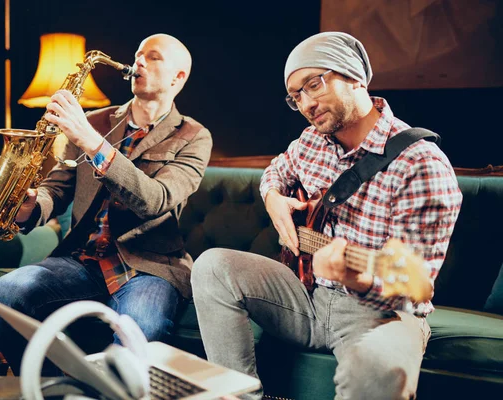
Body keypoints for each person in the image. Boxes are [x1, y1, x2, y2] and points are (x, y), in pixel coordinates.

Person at [191, 31, 462, 399]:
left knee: (378, 372)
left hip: (381, 314)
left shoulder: (421, 164)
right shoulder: (310, 142)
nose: (306, 103)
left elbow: (411, 285)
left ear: (354, 77)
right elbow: (276, 170)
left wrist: (357, 275)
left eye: (313, 85)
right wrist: (273, 197)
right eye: (296, 95)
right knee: (211, 265)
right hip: (307, 297)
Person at [0, 33, 212, 376]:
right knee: (2, 294)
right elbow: (55, 188)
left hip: (150, 266)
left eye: (153, 57)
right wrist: (30, 205)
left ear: (179, 77)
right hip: (82, 260)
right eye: (138, 54)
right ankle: (52, 389)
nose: (139, 62)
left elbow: (155, 200)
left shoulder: (193, 136)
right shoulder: (94, 121)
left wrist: (93, 144)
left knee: (139, 333)